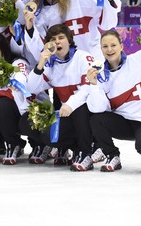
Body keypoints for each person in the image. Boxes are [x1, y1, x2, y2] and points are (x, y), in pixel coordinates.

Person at [87, 29, 141, 172]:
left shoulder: (139, 60)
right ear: (101, 49)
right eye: (105, 46)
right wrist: (93, 85)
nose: (109, 49)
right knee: (96, 119)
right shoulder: (101, 76)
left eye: (113, 45)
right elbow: (97, 109)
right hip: (124, 124)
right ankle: (112, 156)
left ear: (121, 46)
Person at [24, 24, 96, 171]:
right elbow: (31, 88)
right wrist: (40, 64)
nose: (57, 42)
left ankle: (86, 151)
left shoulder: (83, 57)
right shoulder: (50, 65)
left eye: (61, 38)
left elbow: (87, 89)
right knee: (48, 136)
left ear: (69, 41)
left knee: (80, 107)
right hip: (68, 114)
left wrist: (70, 104)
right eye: (53, 39)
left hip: (91, 113)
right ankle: (75, 148)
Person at [27, 0, 120, 60]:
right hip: (66, 68)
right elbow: (41, 50)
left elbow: (109, 22)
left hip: (94, 62)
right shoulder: (39, 14)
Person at [0, 31, 41, 165]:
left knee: (3, 104)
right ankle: (9, 144)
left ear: (2, 47)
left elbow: (22, 81)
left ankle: (39, 144)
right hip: (3, 117)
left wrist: (17, 84)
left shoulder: (17, 62)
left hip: (27, 112)